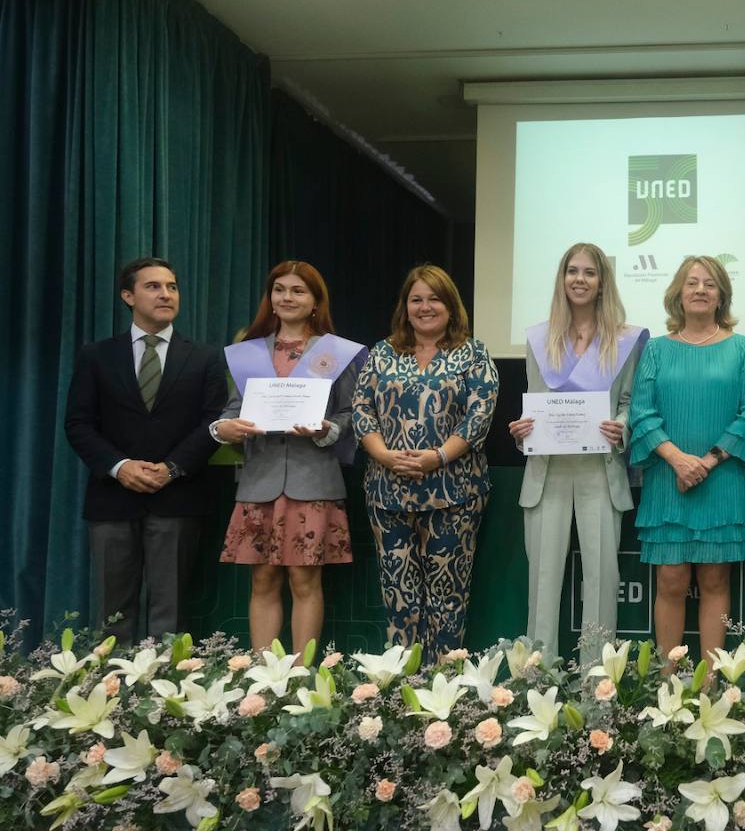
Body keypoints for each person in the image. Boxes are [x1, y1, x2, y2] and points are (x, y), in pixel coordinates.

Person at [64, 257, 228, 645]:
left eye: (172, 286)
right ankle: (112, 698)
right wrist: (119, 467)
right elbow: (78, 424)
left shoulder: (204, 357)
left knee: (169, 613)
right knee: (112, 613)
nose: (166, 294)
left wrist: (171, 468)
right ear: (128, 296)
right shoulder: (96, 355)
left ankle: (162, 694)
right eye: (153, 286)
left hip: (177, 496)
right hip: (112, 497)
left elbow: (213, 422)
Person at [212, 261, 366, 653]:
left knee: (304, 579)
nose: (287, 298)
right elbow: (233, 410)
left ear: (315, 300)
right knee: (262, 579)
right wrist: (223, 428)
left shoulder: (337, 352)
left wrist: (326, 429)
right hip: (259, 480)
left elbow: (352, 414)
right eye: (279, 289)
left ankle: (299, 679)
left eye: (298, 291)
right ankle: (264, 679)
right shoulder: (247, 350)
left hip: (313, 478)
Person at [509, 244, 647, 664]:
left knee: (602, 583)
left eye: (590, 272)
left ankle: (597, 684)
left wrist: (621, 425)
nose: (580, 279)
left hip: (600, 472)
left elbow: (629, 402)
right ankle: (537, 681)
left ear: (603, 281)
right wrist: (522, 430)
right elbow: (534, 402)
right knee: (544, 582)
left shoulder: (626, 340)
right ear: (562, 278)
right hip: (547, 471)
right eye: (572, 271)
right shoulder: (538, 337)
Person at [353, 264, 498, 658]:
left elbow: (479, 415)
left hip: (454, 494)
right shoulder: (382, 353)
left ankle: (443, 688)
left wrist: (436, 457)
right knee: (399, 598)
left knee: (447, 598)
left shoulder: (473, 353)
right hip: (388, 494)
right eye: (416, 299)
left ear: (451, 305)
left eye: (434, 298)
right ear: (405, 307)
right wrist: (383, 455)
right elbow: (361, 408)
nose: (425, 307)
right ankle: (402, 690)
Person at [628, 255, 745, 657]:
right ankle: (668, 683)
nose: (700, 289)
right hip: (670, 479)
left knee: (716, 580)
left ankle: (711, 685)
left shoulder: (743, 349)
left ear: (721, 294)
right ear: (678, 294)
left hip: (722, 478)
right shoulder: (655, 349)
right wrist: (679, 460)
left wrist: (705, 462)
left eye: (709, 283)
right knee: (670, 579)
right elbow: (641, 412)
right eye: (691, 283)